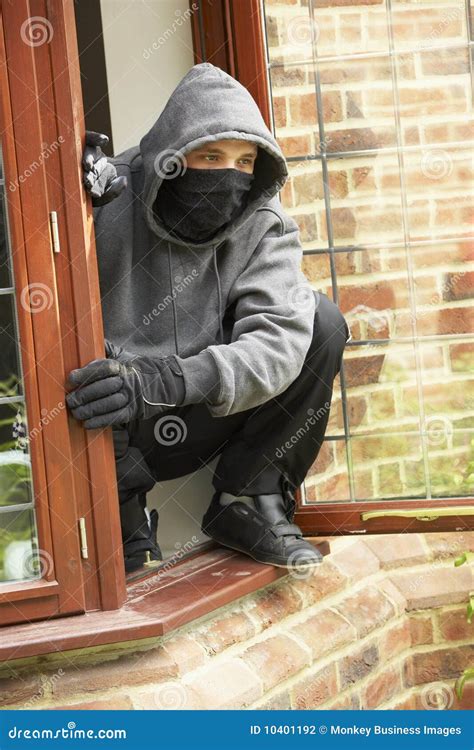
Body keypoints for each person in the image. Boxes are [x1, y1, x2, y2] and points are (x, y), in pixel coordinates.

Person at [65, 63, 350, 574]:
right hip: (108, 428)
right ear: (172, 157)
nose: (228, 175)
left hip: (196, 410)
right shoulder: (106, 196)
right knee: (76, 356)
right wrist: (57, 185)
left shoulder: (264, 223)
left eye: (244, 162)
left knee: (320, 321)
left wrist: (171, 378)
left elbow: (279, 342)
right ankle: (124, 530)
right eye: (211, 156)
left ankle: (248, 501)